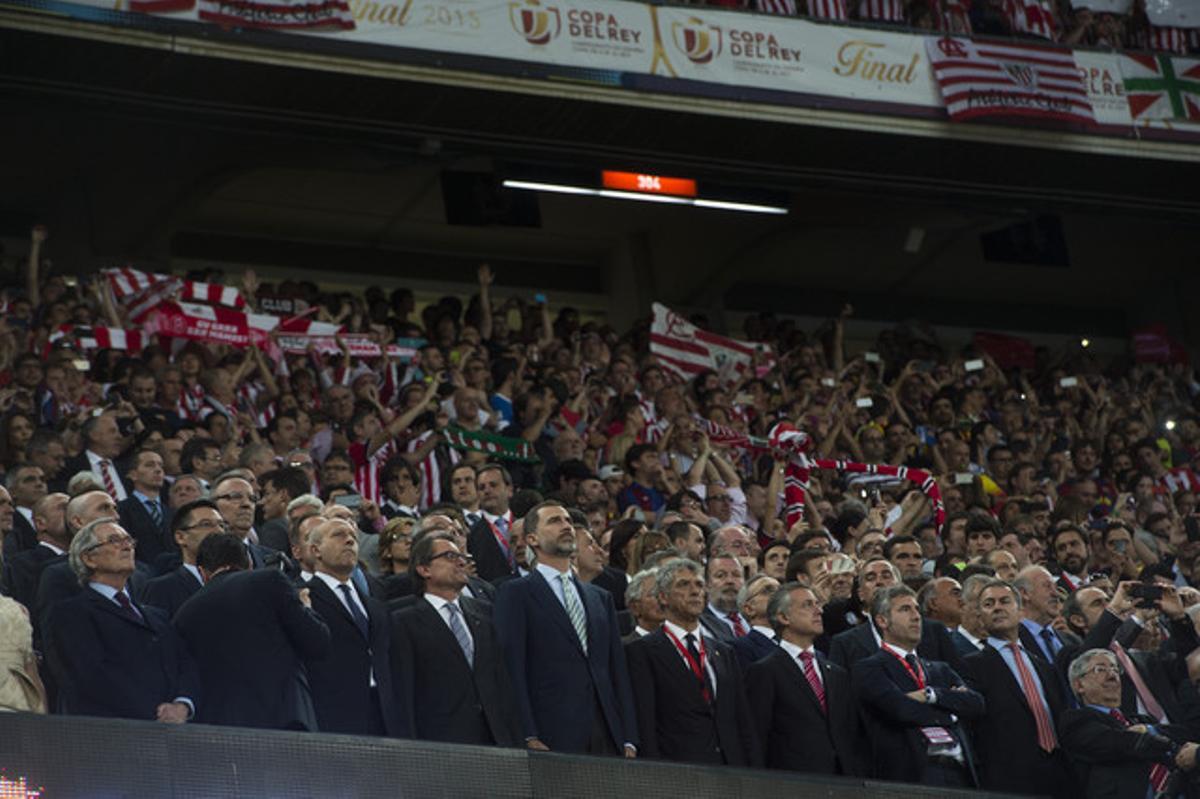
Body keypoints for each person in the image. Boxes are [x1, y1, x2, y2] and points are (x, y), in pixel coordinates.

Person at [494, 500, 637, 756]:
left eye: (568, 521)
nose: (566, 526)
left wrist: (628, 737)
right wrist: (527, 732)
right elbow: (512, 667)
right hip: (552, 732)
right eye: (554, 521)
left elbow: (618, 671)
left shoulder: (600, 597)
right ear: (532, 539)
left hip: (607, 732)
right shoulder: (515, 593)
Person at [174, 532, 331, 730]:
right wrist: (306, 606)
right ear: (249, 562)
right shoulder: (270, 579)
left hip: (221, 730)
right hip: (285, 720)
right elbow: (317, 641)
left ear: (202, 573)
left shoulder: (185, 613)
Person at [49, 519, 198, 722]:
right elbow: (93, 675)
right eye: (113, 540)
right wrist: (155, 711)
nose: (127, 545)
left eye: (128, 540)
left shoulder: (157, 616)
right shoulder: (71, 613)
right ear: (89, 559)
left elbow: (185, 663)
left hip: (170, 735)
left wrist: (182, 704)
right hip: (113, 734)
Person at [624, 558, 760, 765]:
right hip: (678, 771)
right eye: (683, 585)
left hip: (731, 770)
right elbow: (646, 720)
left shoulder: (724, 652)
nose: (695, 591)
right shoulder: (642, 651)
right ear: (663, 597)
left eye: (698, 584)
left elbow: (742, 719)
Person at [390, 531, 521, 746]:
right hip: (441, 742)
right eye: (450, 556)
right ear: (424, 569)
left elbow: (502, 681)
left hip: (496, 738)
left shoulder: (486, 613)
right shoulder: (403, 622)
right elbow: (404, 693)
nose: (461, 562)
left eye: (463, 557)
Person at [852, 584, 984, 787]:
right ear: (882, 620)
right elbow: (899, 709)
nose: (916, 616)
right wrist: (951, 712)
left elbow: (976, 704)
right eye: (905, 609)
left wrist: (931, 695)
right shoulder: (869, 667)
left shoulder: (940, 669)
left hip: (960, 772)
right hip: (914, 773)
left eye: (916, 609)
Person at [960, 579, 1077, 798]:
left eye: (1004, 601)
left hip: (1060, 773)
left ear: (1020, 609)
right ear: (980, 616)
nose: (997, 607)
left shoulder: (1045, 666)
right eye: (988, 604)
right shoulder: (970, 665)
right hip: (1007, 778)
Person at [746, 583, 863, 776]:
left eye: (817, 604)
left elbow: (850, 732)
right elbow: (757, 737)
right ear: (783, 617)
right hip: (791, 783)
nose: (819, 610)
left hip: (842, 782)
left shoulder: (837, 674)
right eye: (808, 605)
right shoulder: (764, 671)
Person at [304, 518, 401, 736]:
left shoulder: (374, 603)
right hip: (334, 718)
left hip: (384, 716)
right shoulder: (303, 597)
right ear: (315, 550)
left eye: (354, 538)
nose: (349, 541)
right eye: (339, 535)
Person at [1059, 648, 1200, 798]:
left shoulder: (1142, 720)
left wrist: (1150, 730)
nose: (1112, 674)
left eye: (1115, 668)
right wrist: (1167, 744)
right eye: (1100, 669)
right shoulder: (1075, 720)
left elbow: (1187, 734)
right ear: (1079, 685)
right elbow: (1117, 741)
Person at [138, 499, 222, 618]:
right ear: (180, 537)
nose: (219, 531)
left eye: (222, 525)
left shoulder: (238, 580)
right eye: (206, 524)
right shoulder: (161, 589)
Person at [2, 492, 68, 610]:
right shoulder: (21, 565)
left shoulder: (89, 560)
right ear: (40, 523)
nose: (71, 513)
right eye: (64, 508)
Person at [116, 449, 172, 568]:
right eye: (149, 465)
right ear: (133, 475)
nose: (158, 470)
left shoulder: (172, 512)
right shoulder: (121, 510)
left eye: (161, 465)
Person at [468, 465, 517, 583]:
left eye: (493, 485)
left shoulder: (527, 525)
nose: (487, 491)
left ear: (509, 489)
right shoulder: (472, 535)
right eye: (481, 488)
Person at [731, 573, 780, 668]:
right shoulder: (740, 648)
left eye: (781, 590)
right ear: (749, 609)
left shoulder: (798, 640)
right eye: (768, 590)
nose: (778, 595)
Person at [699, 555, 749, 643]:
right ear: (706, 585)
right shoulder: (699, 623)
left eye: (736, 575)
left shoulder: (755, 618)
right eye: (720, 575)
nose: (730, 581)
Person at [623, 568, 664, 641]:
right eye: (653, 594)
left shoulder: (682, 642)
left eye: (664, 593)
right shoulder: (625, 647)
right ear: (634, 607)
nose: (662, 599)